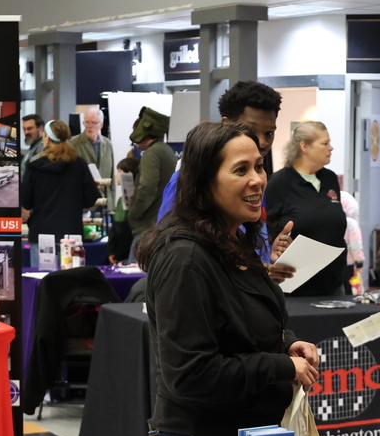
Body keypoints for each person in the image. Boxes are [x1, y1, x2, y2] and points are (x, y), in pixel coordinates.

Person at [136, 121, 319, 436]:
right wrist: (281, 368)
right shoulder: (185, 258)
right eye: (240, 170)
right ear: (204, 182)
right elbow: (191, 374)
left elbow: (243, 318)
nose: (257, 180)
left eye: (259, 166)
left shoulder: (231, 239)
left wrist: (288, 343)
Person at [156, 80, 293, 283]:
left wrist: (267, 255)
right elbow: (169, 250)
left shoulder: (256, 181)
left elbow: (243, 246)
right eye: (239, 170)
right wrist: (250, 271)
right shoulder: (186, 181)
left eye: (269, 133)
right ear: (227, 124)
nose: (262, 142)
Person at [266, 121, 346, 296]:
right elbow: (265, 231)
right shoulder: (279, 183)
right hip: (295, 287)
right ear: (304, 147)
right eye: (325, 143)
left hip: (334, 284)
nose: (331, 148)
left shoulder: (330, 179)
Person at [20, 119, 100, 245]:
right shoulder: (79, 164)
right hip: (71, 233)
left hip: (41, 233)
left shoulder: (34, 165)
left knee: (42, 266)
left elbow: (26, 201)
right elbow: (91, 199)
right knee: (72, 265)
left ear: (46, 138)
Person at [126, 107, 177, 262]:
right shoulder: (166, 151)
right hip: (161, 223)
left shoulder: (152, 153)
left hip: (148, 226)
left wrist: (134, 212)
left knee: (135, 275)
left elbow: (147, 188)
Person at [70, 107, 115, 210]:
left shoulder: (108, 144)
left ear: (101, 125)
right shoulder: (73, 144)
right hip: (84, 202)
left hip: (105, 202)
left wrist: (112, 204)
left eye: (93, 122)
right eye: (86, 122)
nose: (89, 126)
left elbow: (111, 174)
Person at [107, 157, 139, 265]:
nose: (116, 175)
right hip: (119, 254)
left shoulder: (137, 201)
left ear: (128, 175)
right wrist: (111, 250)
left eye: (119, 171)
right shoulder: (121, 201)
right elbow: (115, 229)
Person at [341, 190, 365, 294]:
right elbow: (356, 246)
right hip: (348, 265)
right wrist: (359, 264)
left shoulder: (329, 222)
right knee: (349, 291)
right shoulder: (351, 223)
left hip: (331, 264)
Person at [20, 114, 44, 178]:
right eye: (24, 129)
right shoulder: (34, 146)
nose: (26, 132)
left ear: (40, 128)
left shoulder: (42, 147)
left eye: (29, 128)